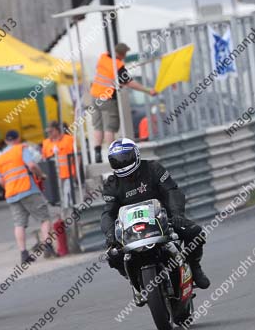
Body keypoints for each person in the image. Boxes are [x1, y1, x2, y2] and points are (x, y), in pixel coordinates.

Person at [100, 138, 210, 291]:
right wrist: (110, 234)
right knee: (112, 254)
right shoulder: (112, 184)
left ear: (136, 155)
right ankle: (133, 279)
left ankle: (195, 266)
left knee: (195, 232)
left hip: (164, 219)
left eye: (126, 158)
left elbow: (172, 191)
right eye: (118, 161)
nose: (123, 163)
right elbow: (108, 213)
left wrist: (177, 215)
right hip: (132, 229)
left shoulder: (153, 168)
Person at [0, 130, 56, 263]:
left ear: (6, 141)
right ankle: (48, 248)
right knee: (44, 218)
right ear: (18, 139)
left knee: (19, 224)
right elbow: (32, 165)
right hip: (28, 189)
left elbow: (0, 180)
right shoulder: (21, 148)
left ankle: (23, 254)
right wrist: (41, 175)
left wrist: (10, 187)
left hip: (11, 193)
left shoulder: (0, 157)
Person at [90, 43, 157, 163]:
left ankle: (98, 154)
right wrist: (147, 90)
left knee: (98, 126)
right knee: (109, 127)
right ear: (122, 54)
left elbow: (107, 76)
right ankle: (112, 156)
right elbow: (129, 82)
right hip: (107, 97)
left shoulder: (103, 58)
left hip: (94, 96)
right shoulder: (118, 66)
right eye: (125, 55)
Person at [41, 121, 76, 210]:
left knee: (67, 196)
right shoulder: (46, 143)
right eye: (47, 132)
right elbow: (44, 160)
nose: (49, 134)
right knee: (58, 199)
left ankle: (69, 213)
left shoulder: (69, 139)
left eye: (51, 131)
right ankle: (63, 215)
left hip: (68, 174)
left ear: (57, 130)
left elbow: (76, 156)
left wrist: (76, 171)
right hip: (54, 176)